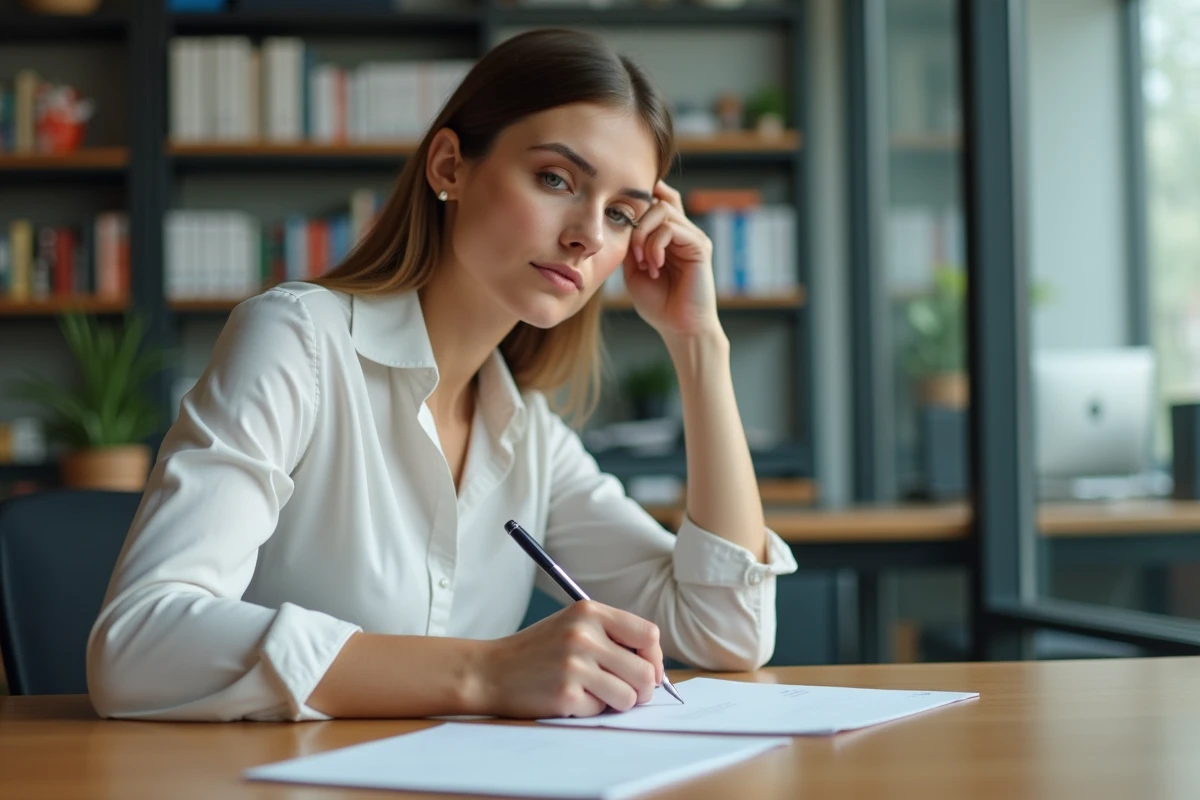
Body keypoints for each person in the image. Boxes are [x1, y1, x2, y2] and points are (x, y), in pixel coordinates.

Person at [87, 28, 798, 723]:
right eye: (556, 179)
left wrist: (699, 343)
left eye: (621, 214)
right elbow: (138, 644)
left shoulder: (528, 432)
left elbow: (726, 632)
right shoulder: (299, 341)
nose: (587, 233)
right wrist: (484, 672)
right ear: (450, 167)